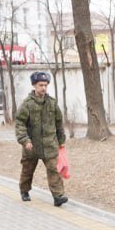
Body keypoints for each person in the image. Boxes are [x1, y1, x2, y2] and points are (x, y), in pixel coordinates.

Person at [14, 70, 68, 206]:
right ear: (34, 86)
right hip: (31, 146)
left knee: (54, 170)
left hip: (50, 144)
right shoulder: (27, 104)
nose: (43, 88)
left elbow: (59, 123)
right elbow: (19, 123)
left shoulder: (52, 103)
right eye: (40, 85)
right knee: (27, 170)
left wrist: (61, 141)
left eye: (45, 85)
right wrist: (25, 140)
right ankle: (24, 190)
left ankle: (58, 196)